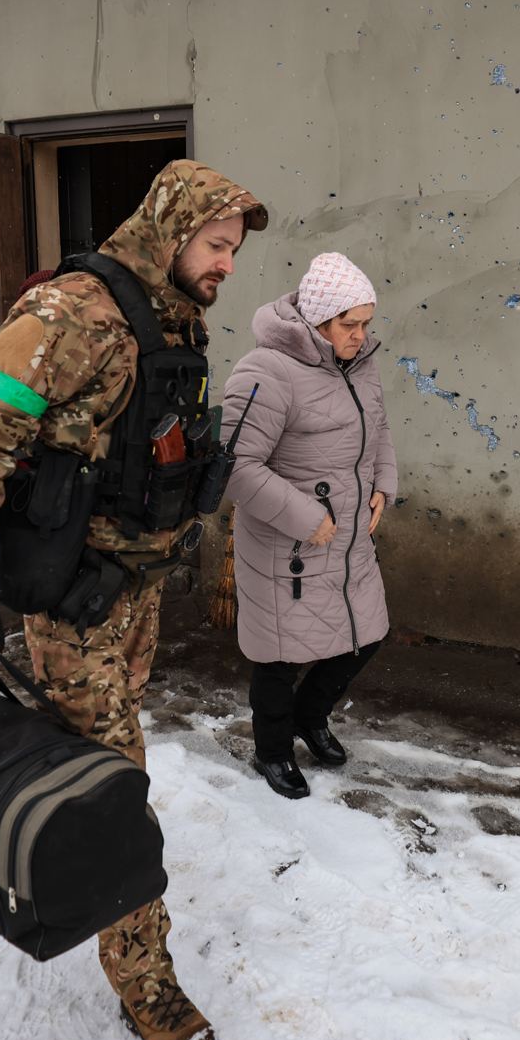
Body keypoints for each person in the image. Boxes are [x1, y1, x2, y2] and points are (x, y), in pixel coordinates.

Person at [0, 160, 267, 1040]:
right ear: (169, 226)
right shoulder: (69, 315)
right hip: (75, 607)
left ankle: (57, 860)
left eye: (234, 249)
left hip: (132, 592)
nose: (228, 263)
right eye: (218, 244)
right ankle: (148, 985)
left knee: (100, 767)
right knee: (117, 788)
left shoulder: (169, 317)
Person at [222, 251, 396, 799]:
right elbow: (234, 466)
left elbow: (379, 434)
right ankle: (271, 751)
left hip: (348, 542)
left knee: (362, 637)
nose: (360, 334)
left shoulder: (360, 365)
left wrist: (383, 487)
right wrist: (305, 517)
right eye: (350, 324)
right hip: (287, 545)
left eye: (367, 323)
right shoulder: (265, 371)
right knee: (278, 658)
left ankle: (308, 717)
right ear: (317, 321)